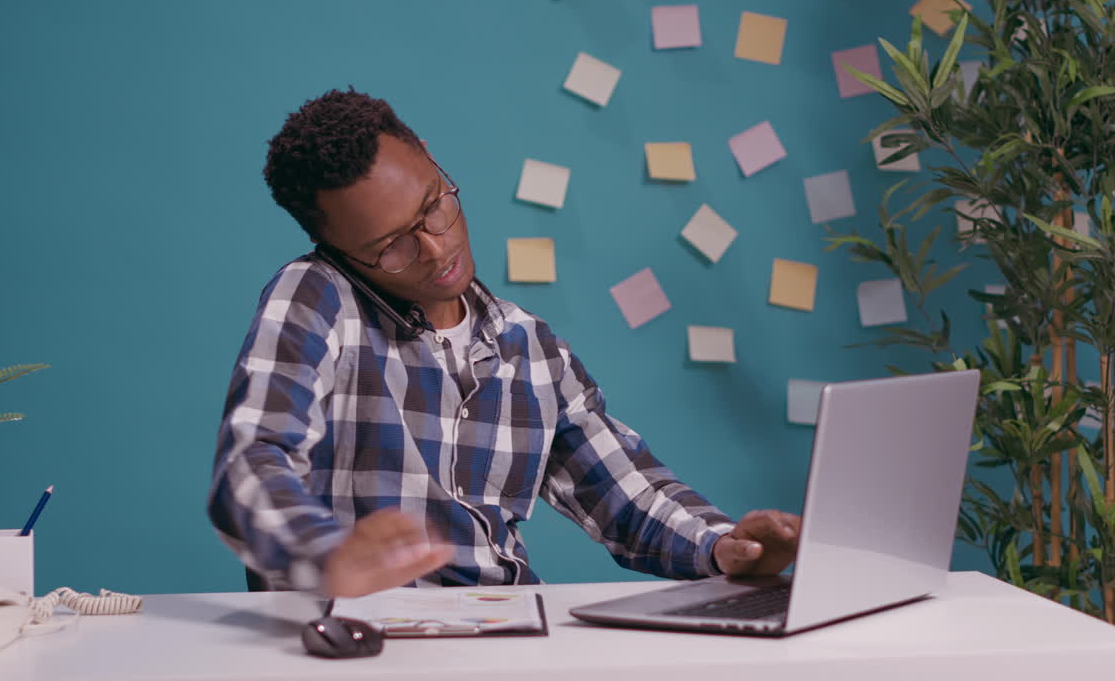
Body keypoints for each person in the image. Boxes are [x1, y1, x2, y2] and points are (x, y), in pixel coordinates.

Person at [207, 86, 800, 597]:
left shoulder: (527, 344)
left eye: (433, 204)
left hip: (506, 636)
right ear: (336, 248)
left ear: (433, 162)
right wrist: (325, 556)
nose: (437, 250)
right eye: (391, 247)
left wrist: (728, 548)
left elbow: (625, 495)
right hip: (366, 637)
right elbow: (251, 465)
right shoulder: (316, 296)